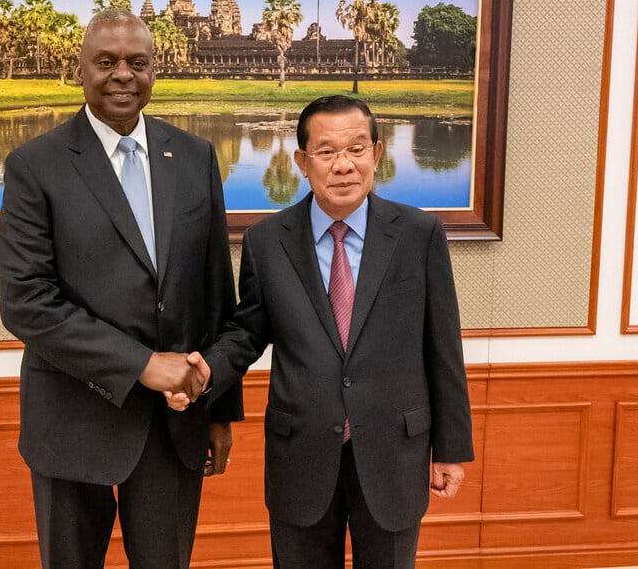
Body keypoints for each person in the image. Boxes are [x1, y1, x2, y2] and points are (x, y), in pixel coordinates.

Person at [176, 95, 473, 568]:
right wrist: (204, 370)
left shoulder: (419, 234)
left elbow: (443, 348)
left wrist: (452, 449)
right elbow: (248, 331)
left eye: (357, 149)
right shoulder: (268, 241)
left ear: (377, 153)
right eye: (327, 152)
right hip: (302, 451)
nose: (344, 166)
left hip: (395, 450)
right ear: (301, 161)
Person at [0, 10, 242, 568]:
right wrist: (141, 365)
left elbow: (214, 294)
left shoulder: (197, 157)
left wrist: (220, 410)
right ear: (79, 71)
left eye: (137, 62)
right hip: (71, 418)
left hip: (174, 423)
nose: (122, 75)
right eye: (105, 62)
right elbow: (26, 303)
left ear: (156, 71)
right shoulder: (35, 166)